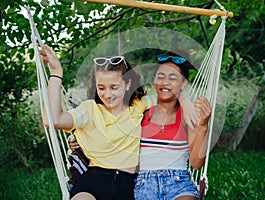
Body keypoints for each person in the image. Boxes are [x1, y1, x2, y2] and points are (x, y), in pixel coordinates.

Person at [40, 45, 198, 200]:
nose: (107, 94)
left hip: (127, 185)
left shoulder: (138, 105)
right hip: (93, 180)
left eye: (114, 87)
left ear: (127, 84)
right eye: (101, 88)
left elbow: (168, 93)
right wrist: (56, 73)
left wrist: (185, 101)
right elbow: (52, 120)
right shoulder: (89, 110)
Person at [134, 50, 211, 200]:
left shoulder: (187, 116)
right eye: (160, 76)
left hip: (178, 184)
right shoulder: (142, 112)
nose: (165, 82)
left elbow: (196, 163)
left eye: (173, 78)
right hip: (144, 185)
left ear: (183, 83)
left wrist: (203, 127)